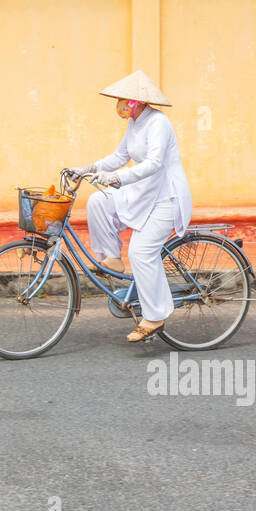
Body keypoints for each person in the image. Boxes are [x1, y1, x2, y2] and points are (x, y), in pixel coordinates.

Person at [67, 70, 193, 342]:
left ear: (138, 101)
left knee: (140, 251)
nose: (120, 104)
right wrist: (86, 169)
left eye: (124, 99)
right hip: (143, 192)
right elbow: (119, 156)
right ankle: (111, 257)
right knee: (99, 201)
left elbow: (154, 163)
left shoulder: (158, 122)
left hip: (166, 197)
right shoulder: (135, 123)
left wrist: (117, 177)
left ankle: (154, 317)